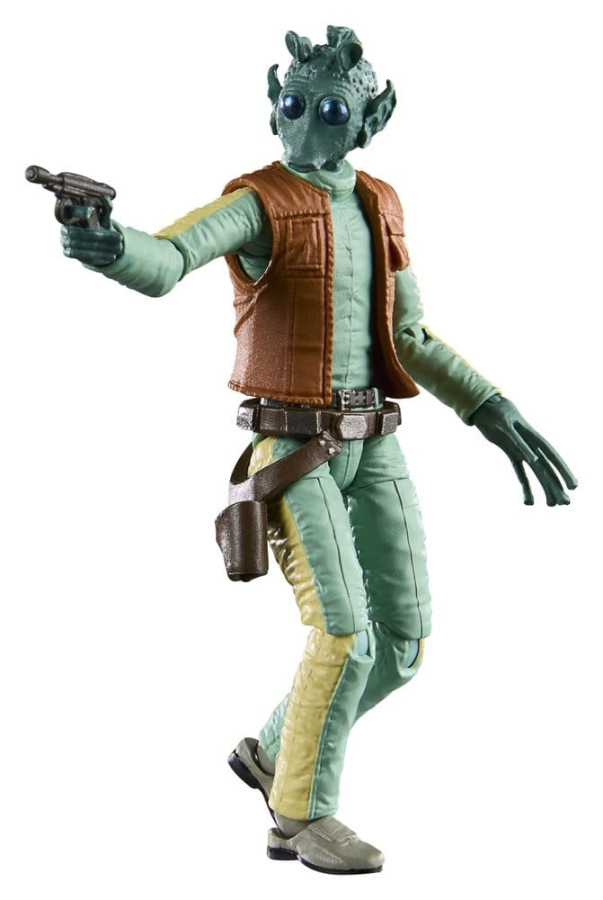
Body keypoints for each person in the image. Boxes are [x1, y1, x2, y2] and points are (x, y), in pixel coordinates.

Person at [59, 26, 576, 875]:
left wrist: (487, 405)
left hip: (376, 444)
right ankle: (299, 814)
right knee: (343, 638)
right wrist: (110, 243)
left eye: (330, 111)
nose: (306, 128)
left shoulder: (380, 203)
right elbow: (171, 256)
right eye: (293, 106)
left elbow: (406, 334)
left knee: (402, 645)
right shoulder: (257, 202)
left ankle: (274, 753)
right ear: (273, 106)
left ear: (371, 117)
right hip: (292, 446)